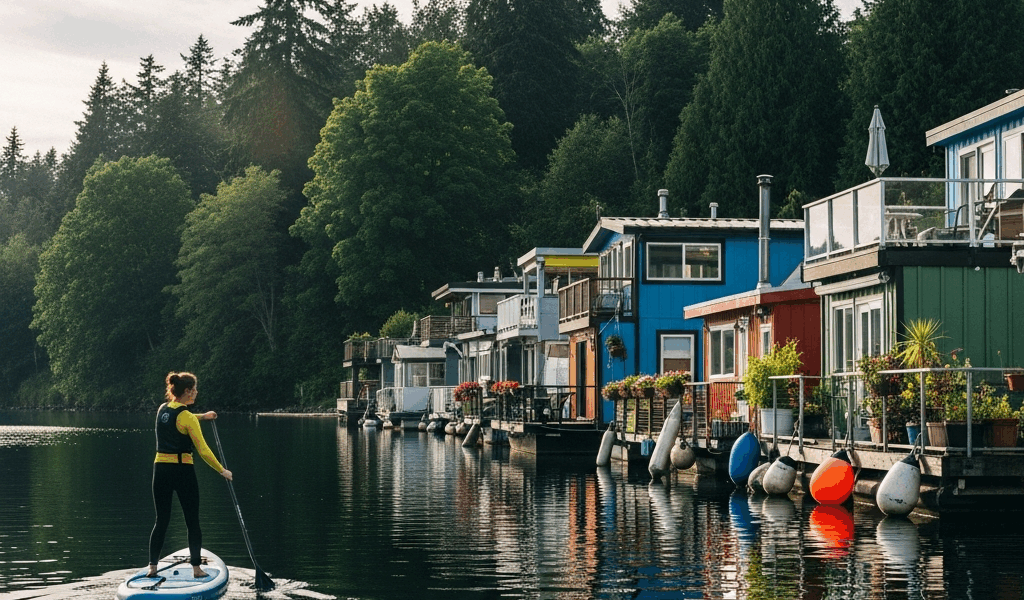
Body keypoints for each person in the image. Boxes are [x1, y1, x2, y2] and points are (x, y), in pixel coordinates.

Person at [147, 372, 232, 579]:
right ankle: (196, 569)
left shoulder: (162, 410)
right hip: (182, 471)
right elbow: (203, 450)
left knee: (161, 520)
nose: (196, 392)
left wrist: (204, 416)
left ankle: (152, 567)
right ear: (187, 391)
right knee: (192, 521)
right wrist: (222, 470)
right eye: (194, 389)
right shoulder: (186, 417)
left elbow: (183, 419)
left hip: (160, 470)